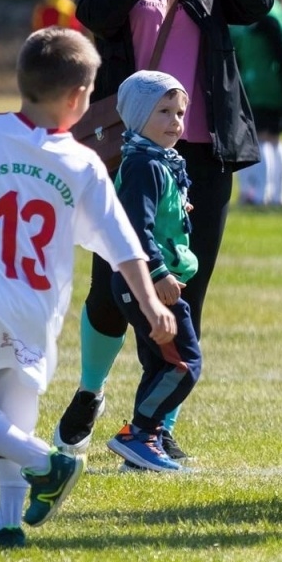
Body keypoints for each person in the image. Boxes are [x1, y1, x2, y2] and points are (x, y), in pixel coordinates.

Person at [55, 0, 272, 462]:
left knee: (185, 288)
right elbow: (97, 16)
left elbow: (257, 4)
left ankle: (153, 423)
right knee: (111, 289)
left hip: (203, 152)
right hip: (130, 152)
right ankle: (91, 390)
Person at [0, 30, 175, 548]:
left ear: (22, 82)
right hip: (36, 311)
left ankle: (49, 463)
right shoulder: (82, 163)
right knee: (12, 410)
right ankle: (8, 523)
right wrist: (149, 303)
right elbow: (121, 242)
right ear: (79, 98)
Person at [104, 71, 204, 473]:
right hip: (146, 283)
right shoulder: (144, 164)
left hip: (149, 282)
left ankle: (148, 442)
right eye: (163, 111)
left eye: (179, 113)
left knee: (160, 363)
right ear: (137, 115)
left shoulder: (160, 162)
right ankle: (139, 433)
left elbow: (156, 217)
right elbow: (133, 227)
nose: (175, 122)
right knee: (185, 364)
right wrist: (159, 273)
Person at [233, 0, 282, 208]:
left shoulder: (263, 13)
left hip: (260, 85)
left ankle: (263, 196)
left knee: (264, 138)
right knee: (273, 137)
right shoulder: (272, 10)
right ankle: (275, 196)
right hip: (265, 84)